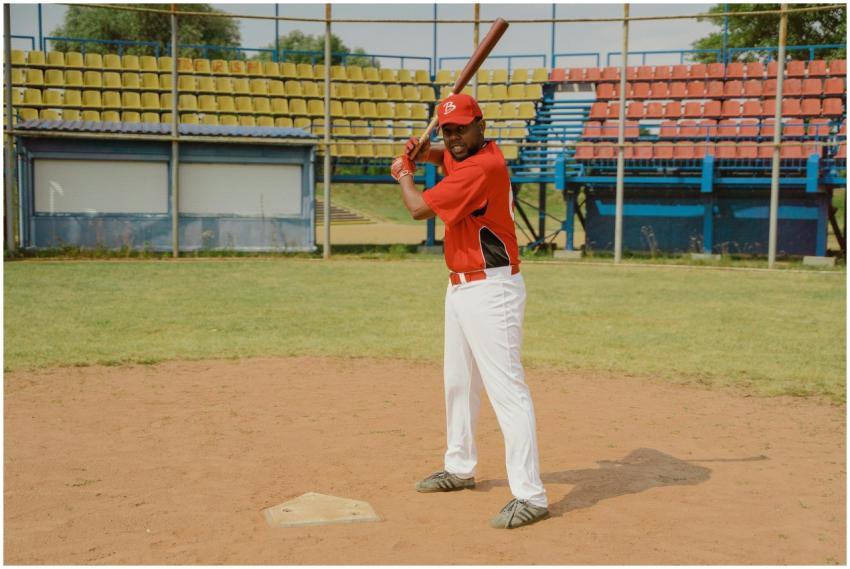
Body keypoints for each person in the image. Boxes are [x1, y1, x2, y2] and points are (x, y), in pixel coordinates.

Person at [390, 93, 549, 529]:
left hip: (492, 290)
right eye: (448, 131)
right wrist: (430, 152)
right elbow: (448, 159)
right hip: (460, 287)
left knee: (507, 390)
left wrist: (405, 172)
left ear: (482, 126)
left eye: (462, 128)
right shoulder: (470, 155)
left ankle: (530, 495)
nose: (455, 138)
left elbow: (418, 207)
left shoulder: (484, 167)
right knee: (458, 382)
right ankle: (459, 467)